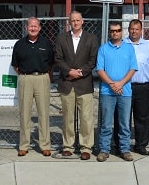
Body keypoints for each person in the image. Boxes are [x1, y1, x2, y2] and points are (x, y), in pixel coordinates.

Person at [54, 11, 99, 160]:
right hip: (67, 83)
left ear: (82, 21)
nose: (75, 23)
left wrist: (81, 72)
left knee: (86, 117)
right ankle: (68, 146)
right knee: (68, 117)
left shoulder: (91, 38)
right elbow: (58, 59)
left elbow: (92, 60)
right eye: (72, 20)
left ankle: (86, 147)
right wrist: (69, 71)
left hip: (84, 83)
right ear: (69, 22)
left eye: (78, 20)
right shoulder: (61, 38)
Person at [11, 17, 54, 157]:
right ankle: (24, 145)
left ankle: (45, 145)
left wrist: (43, 75)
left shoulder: (46, 43)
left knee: (43, 113)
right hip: (25, 79)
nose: (33, 28)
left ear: (40, 28)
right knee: (25, 114)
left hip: (42, 78)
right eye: (31, 26)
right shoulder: (19, 44)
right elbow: (15, 65)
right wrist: (25, 75)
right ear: (26, 27)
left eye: (36, 26)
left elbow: (51, 63)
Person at [95, 21, 138, 162]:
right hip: (107, 92)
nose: (115, 33)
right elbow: (100, 69)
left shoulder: (129, 48)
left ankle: (124, 149)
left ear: (122, 32)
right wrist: (112, 84)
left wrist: (120, 83)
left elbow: (133, 69)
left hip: (125, 92)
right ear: (109, 32)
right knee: (106, 124)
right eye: (112, 31)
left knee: (124, 124)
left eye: (118, 30)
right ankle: (104, 150)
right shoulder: (103, 49)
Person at [125, 19, 149, 156]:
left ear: (141, 30)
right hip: (126, 86)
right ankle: (123, 145)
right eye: (132, 29)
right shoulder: (122, 45)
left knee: (143, 118)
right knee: (123, 118)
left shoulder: (148, 46)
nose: (134, 31)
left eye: (137, 29)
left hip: (144, 88)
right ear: (128, 30)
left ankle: (141, 145)